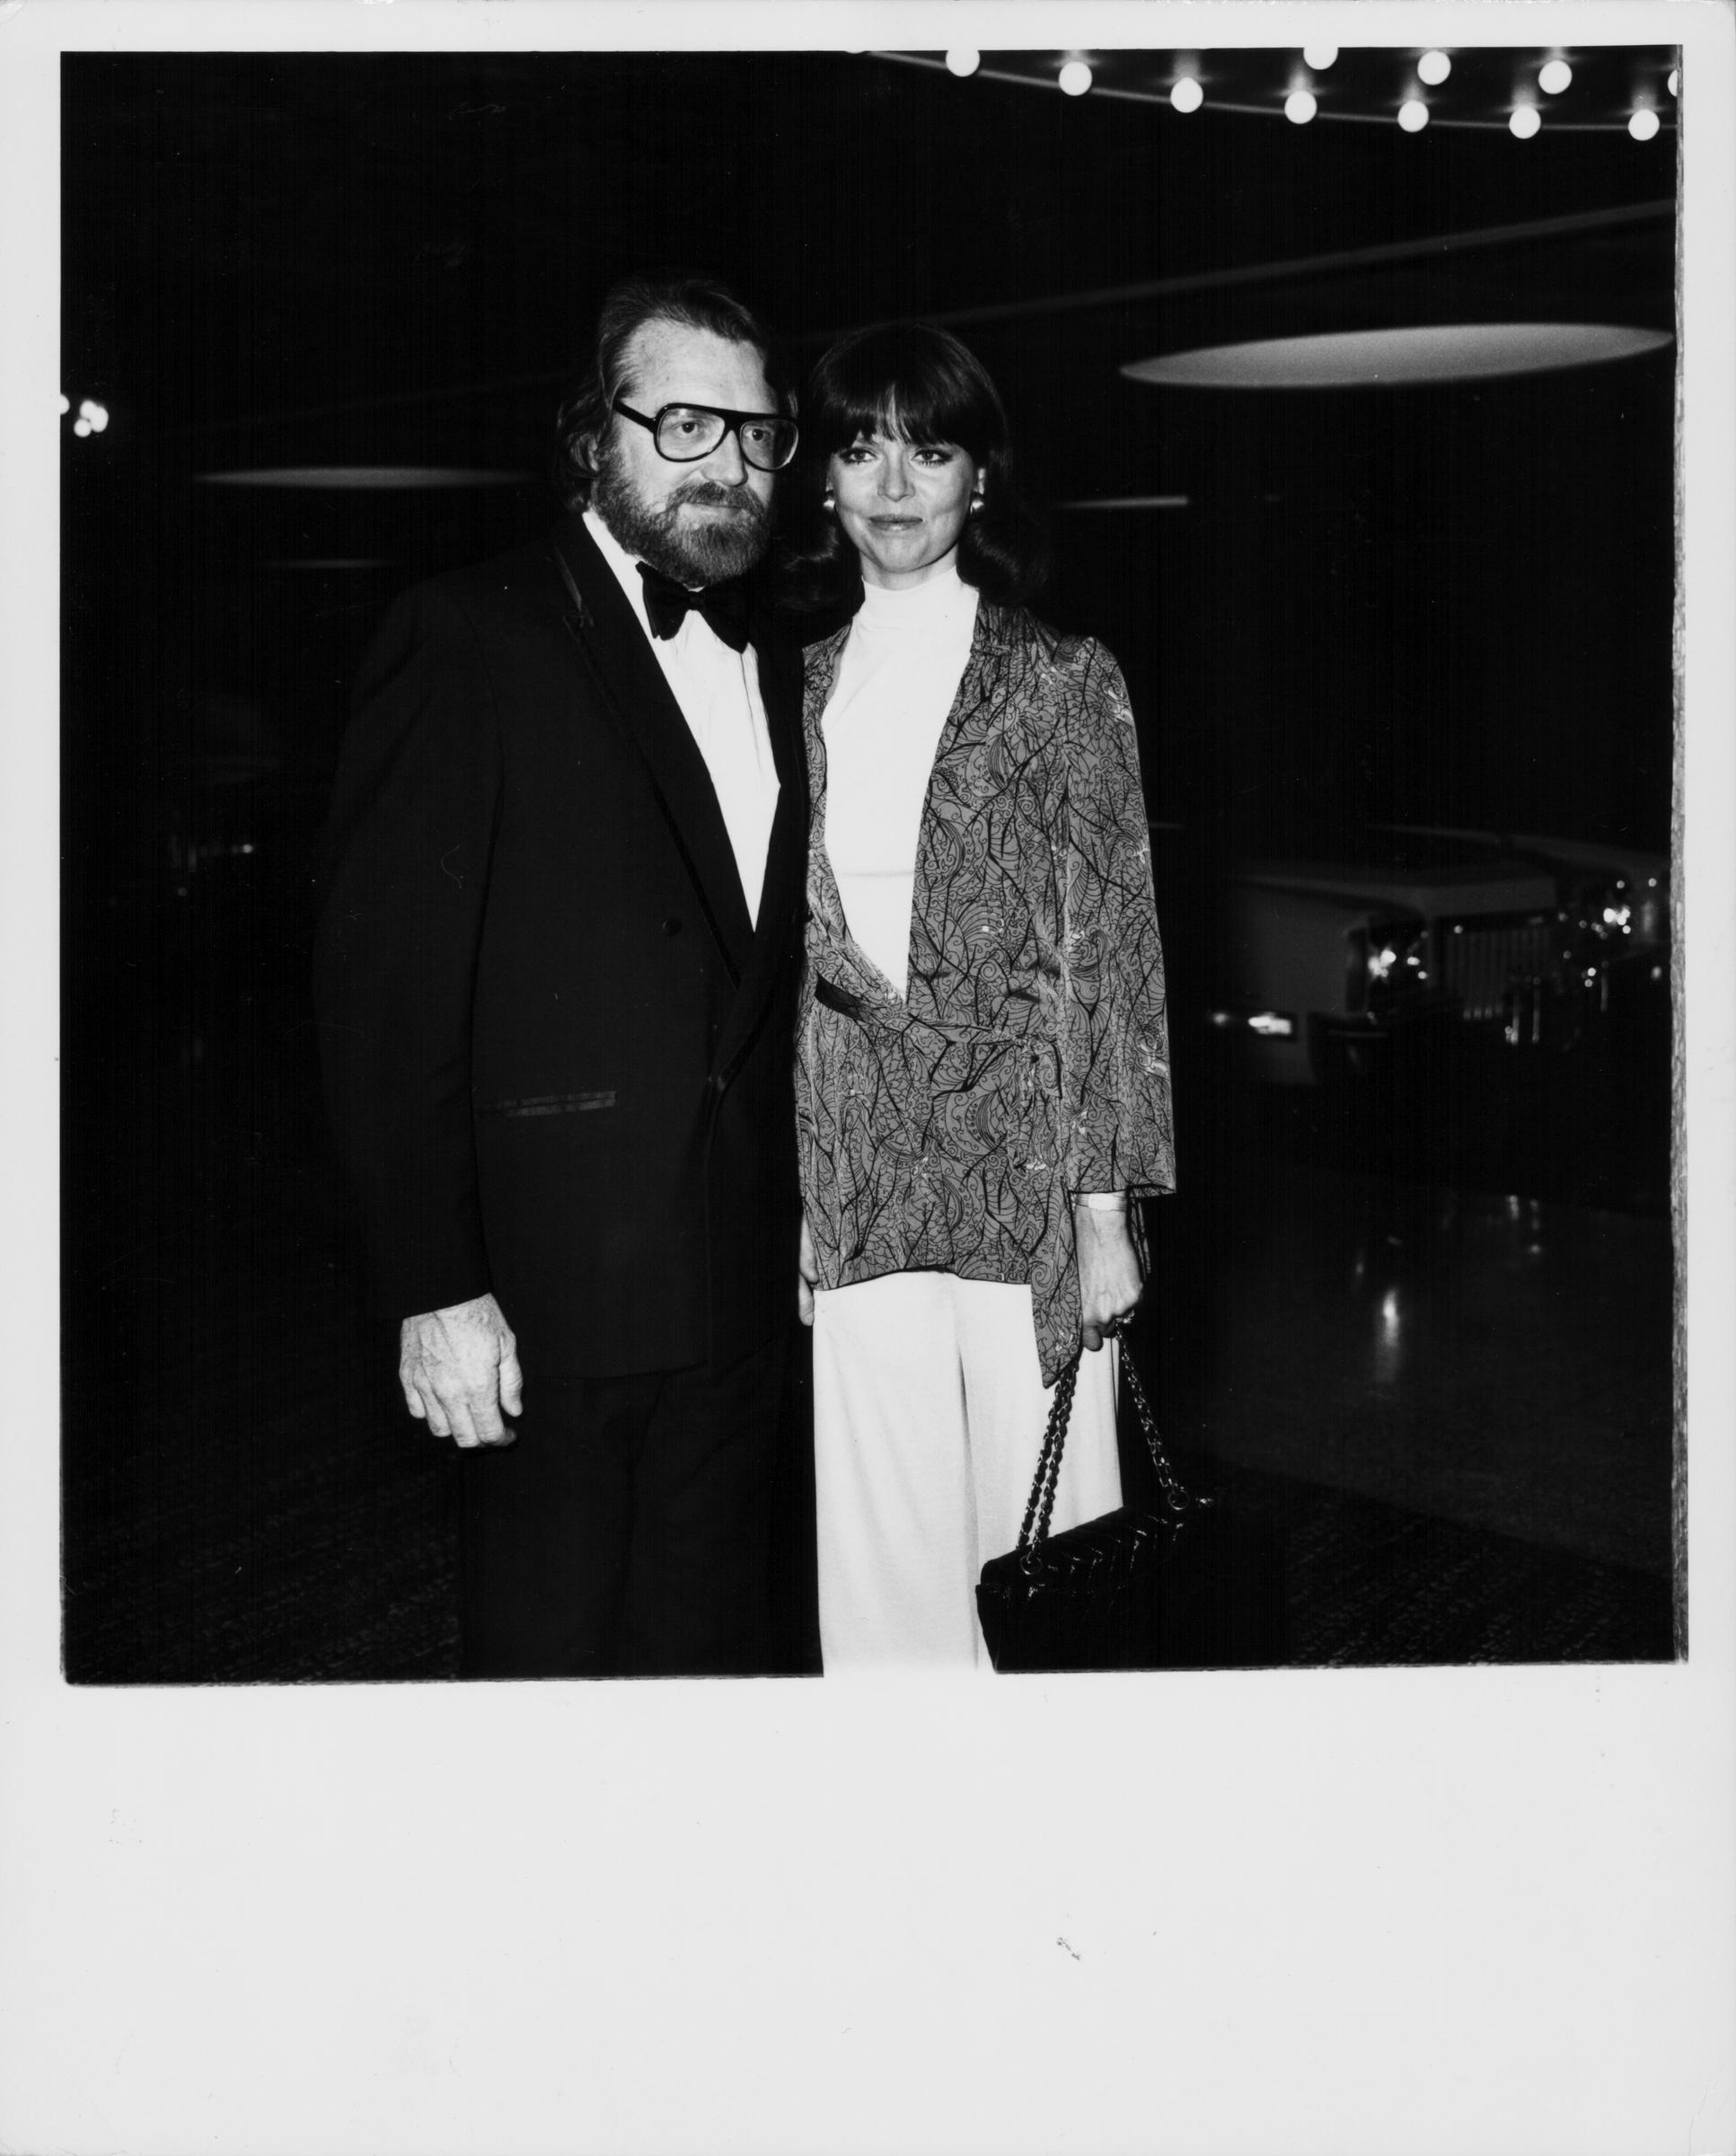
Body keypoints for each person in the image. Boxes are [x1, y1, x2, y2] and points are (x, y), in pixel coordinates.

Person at [313, 271, 809, 1679]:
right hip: (546, 1297)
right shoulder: (467, 634)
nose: (729, 463)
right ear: (596, 435)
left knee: (701, 1669)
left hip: (735, 1284)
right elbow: (383, 998)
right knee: (549, 1678)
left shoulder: (776, 657)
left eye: (758, 434)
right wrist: (432, 1287)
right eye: (684, 425)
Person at [788, 321, 1176, 1670]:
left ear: (979, 479)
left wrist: (1105, 1208)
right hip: (855, 1163)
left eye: (928, 447)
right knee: (880, 1545)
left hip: (1028, 1163)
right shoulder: (792, 689)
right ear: (821, 480)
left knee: (1049, 1532)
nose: (893, 484)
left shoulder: (1063, 681)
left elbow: (1111, 955)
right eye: (858, 447)